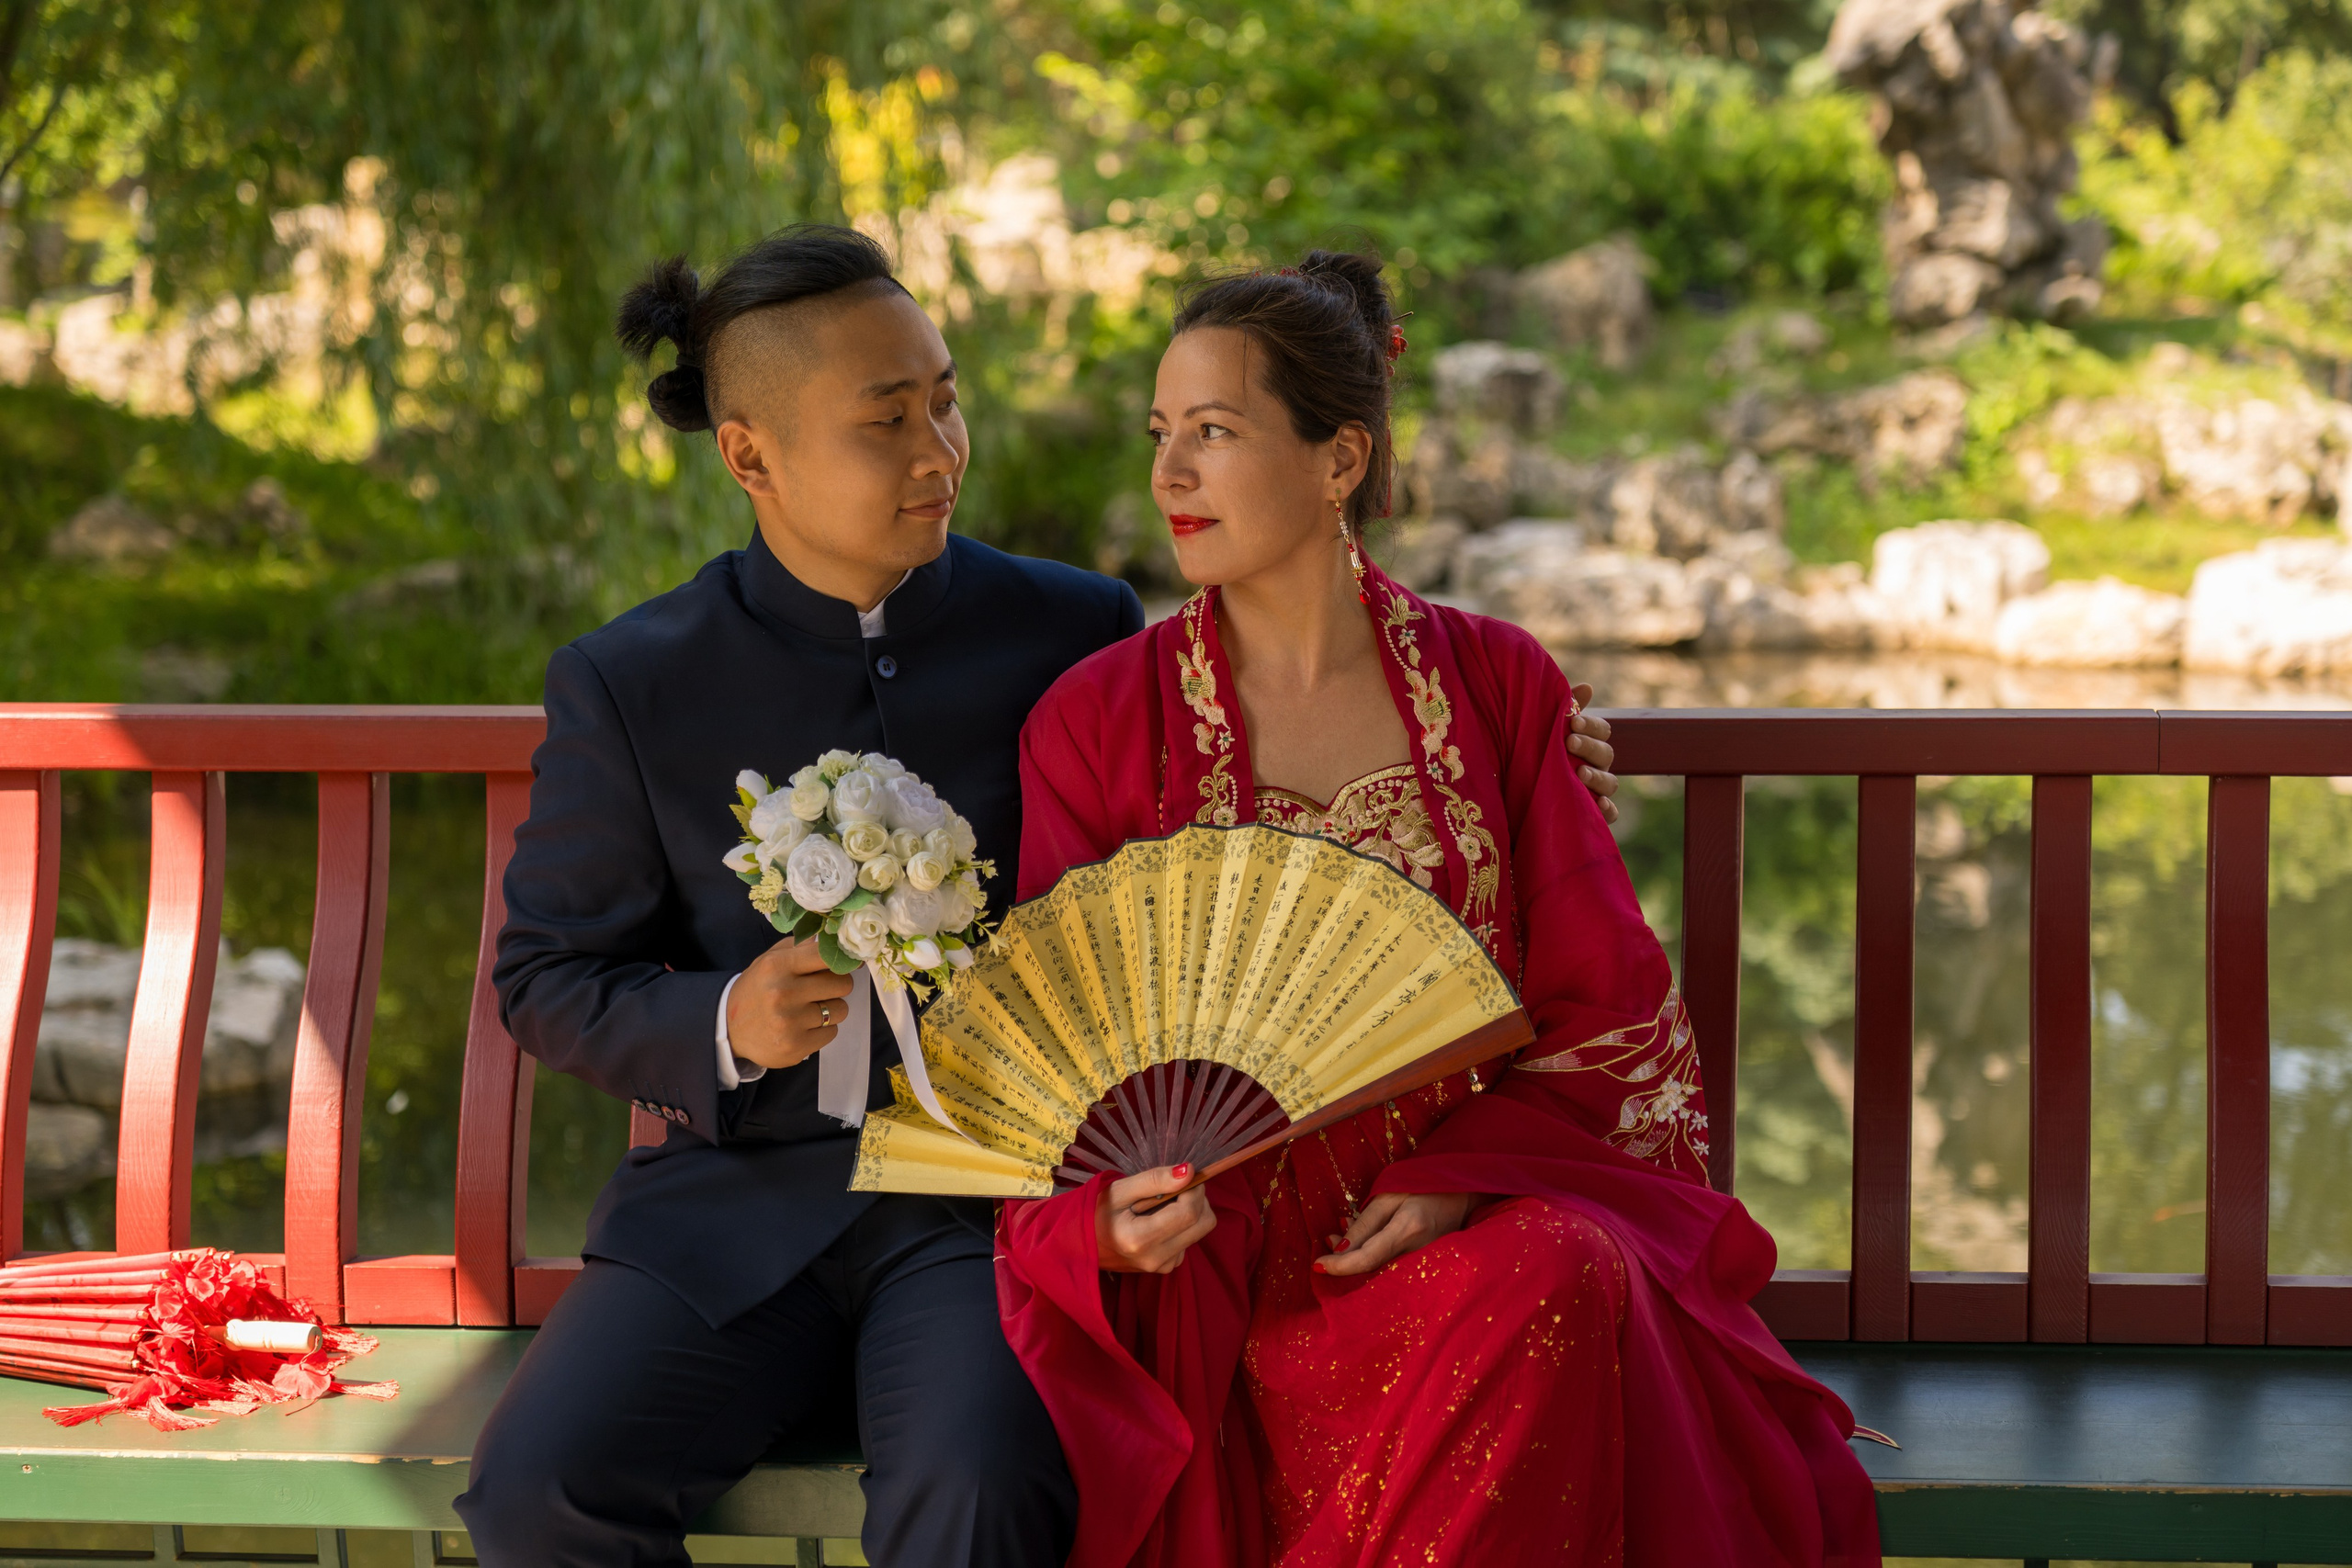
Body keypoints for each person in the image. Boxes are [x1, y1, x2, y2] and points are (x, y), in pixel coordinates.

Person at [452, 222, 1630, 1566]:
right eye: (887, 422)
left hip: (989, 1218)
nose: (939, 452)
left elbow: (1232, 805)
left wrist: (1523, 746)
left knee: (981, 1490)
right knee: (536, 1489)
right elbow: (546, 977)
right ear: (750, 457)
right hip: (732, 1212)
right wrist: (724, 1021)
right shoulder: (635, 678)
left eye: (946, 402)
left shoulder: (1069, 631)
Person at [997, 252, 1883, 1567]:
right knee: (1542, 1305)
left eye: (1216, 432)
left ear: (1340, 458)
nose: (1170, 474)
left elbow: (1607, 1015)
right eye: (1160, 434)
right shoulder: (1098, 721)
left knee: (1558, 1274)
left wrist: (1458, 1181)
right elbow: (1045, 1069)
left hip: (1473, 1224)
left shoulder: (1499, 685)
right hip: (1230, 1275)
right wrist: (1104, 1225)